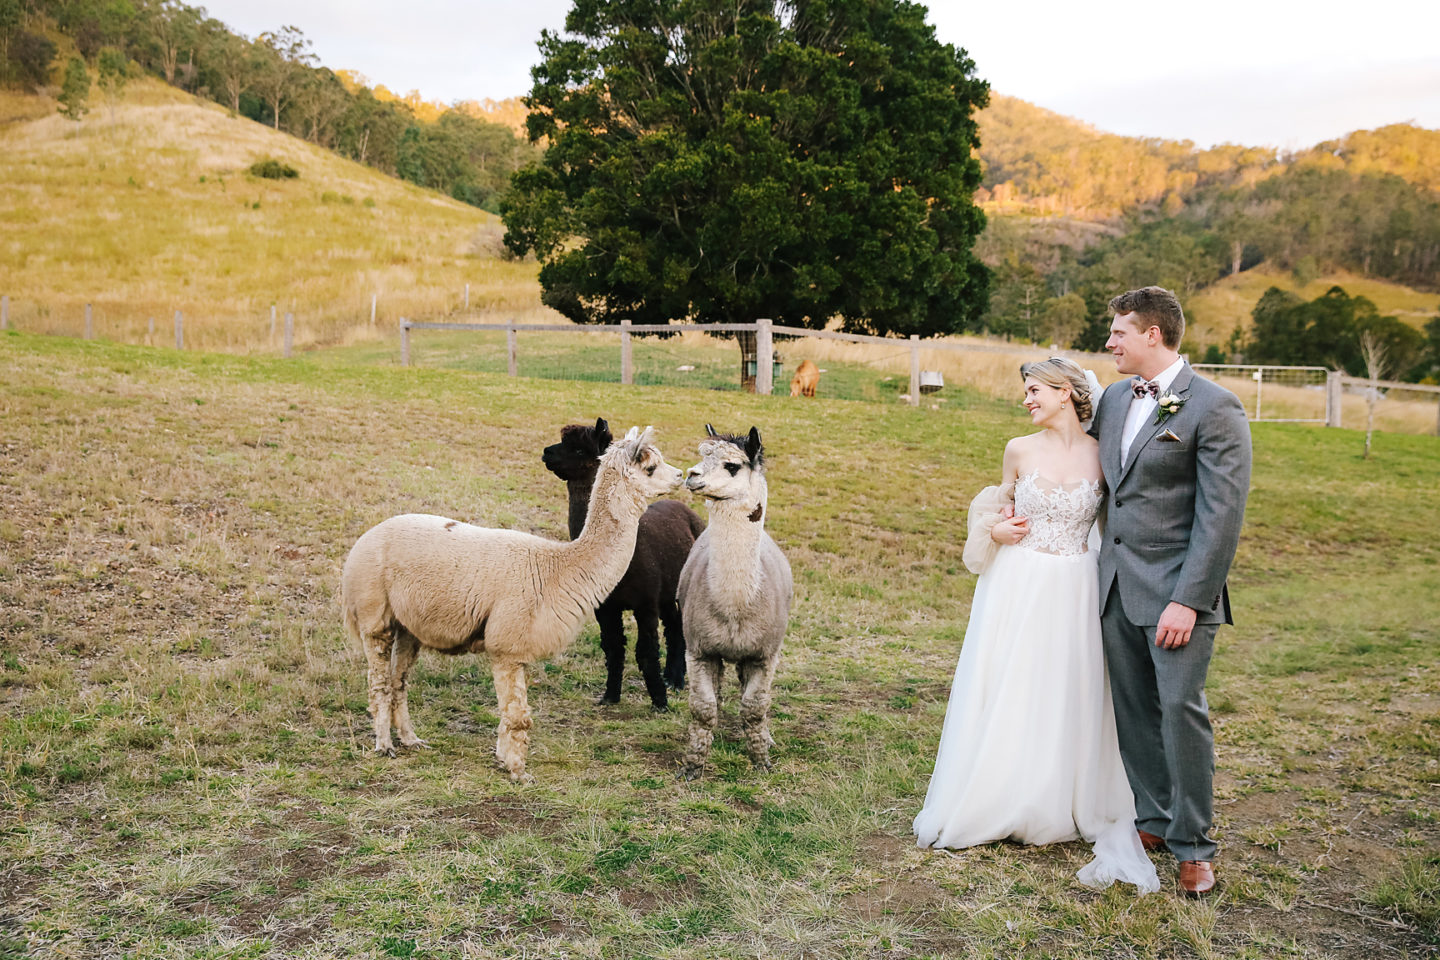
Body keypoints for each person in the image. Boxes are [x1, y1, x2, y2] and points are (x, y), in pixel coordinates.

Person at [913, 357, 1160, 894]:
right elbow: (992, 511)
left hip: (1077, 585)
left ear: (1066, 391)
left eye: (1033, 390)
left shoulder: (1106, 455)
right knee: (1014, 682)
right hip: (1018, 584)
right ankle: (1003, 792)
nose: (1026, 399)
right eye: (1024, 391)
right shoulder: (1018, 450)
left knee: (1069, 687)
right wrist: (996, 532)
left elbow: (1114, 525)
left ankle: (1063, 794)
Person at [1092, 287, 1251, 897]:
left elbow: (1221, 517)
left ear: (1153, 334)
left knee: (1182, 716)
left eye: (1119, 332)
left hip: (1179, 595)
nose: (1110, 342)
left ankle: (1194, 847)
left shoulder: (1216, 408)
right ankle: (1154, 820)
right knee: (1133, 714)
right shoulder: (1111, 399)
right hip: (1114, 590)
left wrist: (1190, 599)